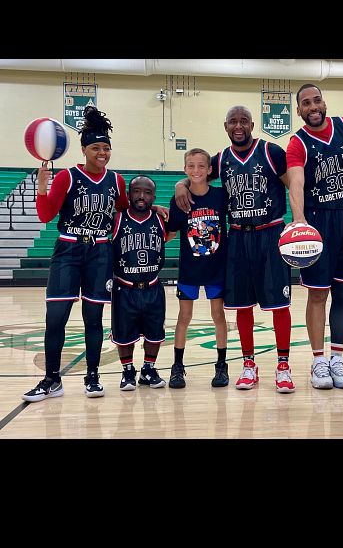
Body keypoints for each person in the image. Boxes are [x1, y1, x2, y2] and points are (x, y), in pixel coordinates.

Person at [175, 107, 294, 393]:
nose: (238, 126)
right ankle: (248, 365)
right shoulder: (221, 159)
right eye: (233, 122)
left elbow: (295, 183)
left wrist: (299, 220)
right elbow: (197, 175)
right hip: (238, 236)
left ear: (252, 124)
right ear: (225, 126)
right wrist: (180, 183)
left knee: (279, 305)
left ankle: (283, 366)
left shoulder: (271, 152)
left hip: (270, 233)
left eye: (243, 121)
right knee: (242, 305)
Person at [22, 106, 128, 402]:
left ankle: (92, 376)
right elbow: (46, 215)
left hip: (101, 251)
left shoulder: (117, 181)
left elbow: (123, 213)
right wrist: (42, 188)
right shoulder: (68, 177)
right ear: (84, 150)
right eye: (96, 148)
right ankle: (52, 379)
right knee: (56, 318)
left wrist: (154, 208)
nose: (102, 153)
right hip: (68, 249)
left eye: (106, 148)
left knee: (93, 319)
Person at [286, 83, 343, 389]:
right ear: (299, 110)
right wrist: (299, 222)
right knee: (318, 293)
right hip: (318, 221)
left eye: (317, 101)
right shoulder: (297, 143)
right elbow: (296, 184)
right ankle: (318, 361)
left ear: (324, 103)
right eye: (306, 103)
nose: (313, 107)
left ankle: (337, 357)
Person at [167, 148, 229, 389]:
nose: (196, 170)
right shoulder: (179, 201)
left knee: (218, 316)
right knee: (184, 317)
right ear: (185, 169)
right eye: (191, 166)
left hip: (216, 268)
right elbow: (171, 232)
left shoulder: (221, 196)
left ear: (210, 169)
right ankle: (177, 367)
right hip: (189, 270)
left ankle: (221, 366)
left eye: (201, 165)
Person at [110, 176, 168, 390]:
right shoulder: (116, 219)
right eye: (136, 191)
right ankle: (127, 371)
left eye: (147, 192)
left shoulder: (161, 220)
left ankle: (148, 370)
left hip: (152, 287)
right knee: (124, 334)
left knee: (155, 333)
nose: (141, 196)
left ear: (154, 197)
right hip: (124, 287)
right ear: (128, 194)